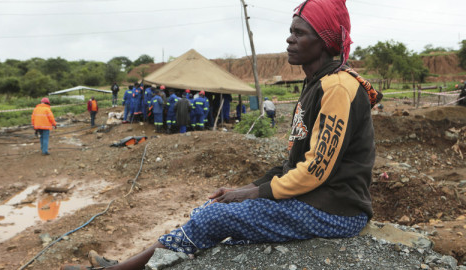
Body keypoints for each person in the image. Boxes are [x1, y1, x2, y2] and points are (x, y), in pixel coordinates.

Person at [60, 0, 382, 269]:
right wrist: (241, 189)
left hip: (336, 211)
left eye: (299, 33)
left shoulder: (338, 88)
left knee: (214, 218)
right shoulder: (316, 84)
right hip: (314, 201)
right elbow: (290, 165)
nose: (290, 39)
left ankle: (120, 269)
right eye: (290, 32)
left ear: (324, 40)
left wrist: (253, 194)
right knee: (211, 211)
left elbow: (314, 170)